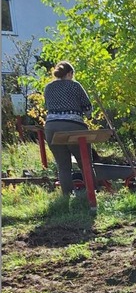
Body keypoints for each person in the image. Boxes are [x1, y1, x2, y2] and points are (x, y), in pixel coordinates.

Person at [42, 61, 93, 198]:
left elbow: (47, 106)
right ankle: (92, 194)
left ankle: (66, 197)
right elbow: (87, 107)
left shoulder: (48, 88)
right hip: (74, 127)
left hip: (52, 127)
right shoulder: (75, 86)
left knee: (63, 165)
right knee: (85, 162)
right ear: (70, 73)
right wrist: (88, 116)